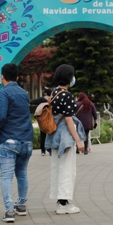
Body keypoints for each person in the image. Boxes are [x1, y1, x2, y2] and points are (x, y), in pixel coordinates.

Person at [0, 63, 34, 223]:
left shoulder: (3, 92)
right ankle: (21, 205)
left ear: (2, 76)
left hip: (9, 140)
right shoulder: (23, 93)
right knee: (22, 174)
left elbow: (1, 116)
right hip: (26, 139)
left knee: (6, 176)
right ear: (17, 77)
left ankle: (9, 210)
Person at [45, 64, 86, 215]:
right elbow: (69, 120)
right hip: (65, 136)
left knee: (57, 167)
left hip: (54, 135)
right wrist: (79, 141)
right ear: (69, 78)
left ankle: (60, 200)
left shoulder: (54, 92)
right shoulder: (67, 95)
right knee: (67, 169)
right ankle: (63, 203)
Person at [30, 87, 52, 156]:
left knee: (43, 135)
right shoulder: (53, 99)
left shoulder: (42, 99)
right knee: (51, 134)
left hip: (43, 119)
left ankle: (43, 151)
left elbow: (32, 101)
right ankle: (50, 149)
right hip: (51, 119)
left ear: (45, 93)